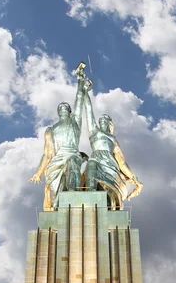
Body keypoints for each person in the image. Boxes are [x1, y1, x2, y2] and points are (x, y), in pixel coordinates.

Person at [29, 64, 87, 211]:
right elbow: (47, 154)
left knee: (73, 167)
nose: (63, 108)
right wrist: (38, 172)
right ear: (57, 112)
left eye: (66, 107)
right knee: (55, 190)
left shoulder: (75, 122)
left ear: (70, 111)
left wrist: (80, 80)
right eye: (60, 107)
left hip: (72, 154)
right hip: (56, 160)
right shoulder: (50, 130)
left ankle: (74, 199)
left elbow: (79, 99)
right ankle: (57, 208)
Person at [83, 82, 143, 209]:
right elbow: (89, 111)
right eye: (101, 120)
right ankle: (90, 193)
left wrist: (133, 178)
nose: (103, 121)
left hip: (111, 163)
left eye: (106, 120)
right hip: (96, 158)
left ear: (110, 125)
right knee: (91, 164)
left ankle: (108, 200)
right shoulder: (94, 131)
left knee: (96, 169)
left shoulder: (112, 139)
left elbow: (121, 162)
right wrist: (85, 92)